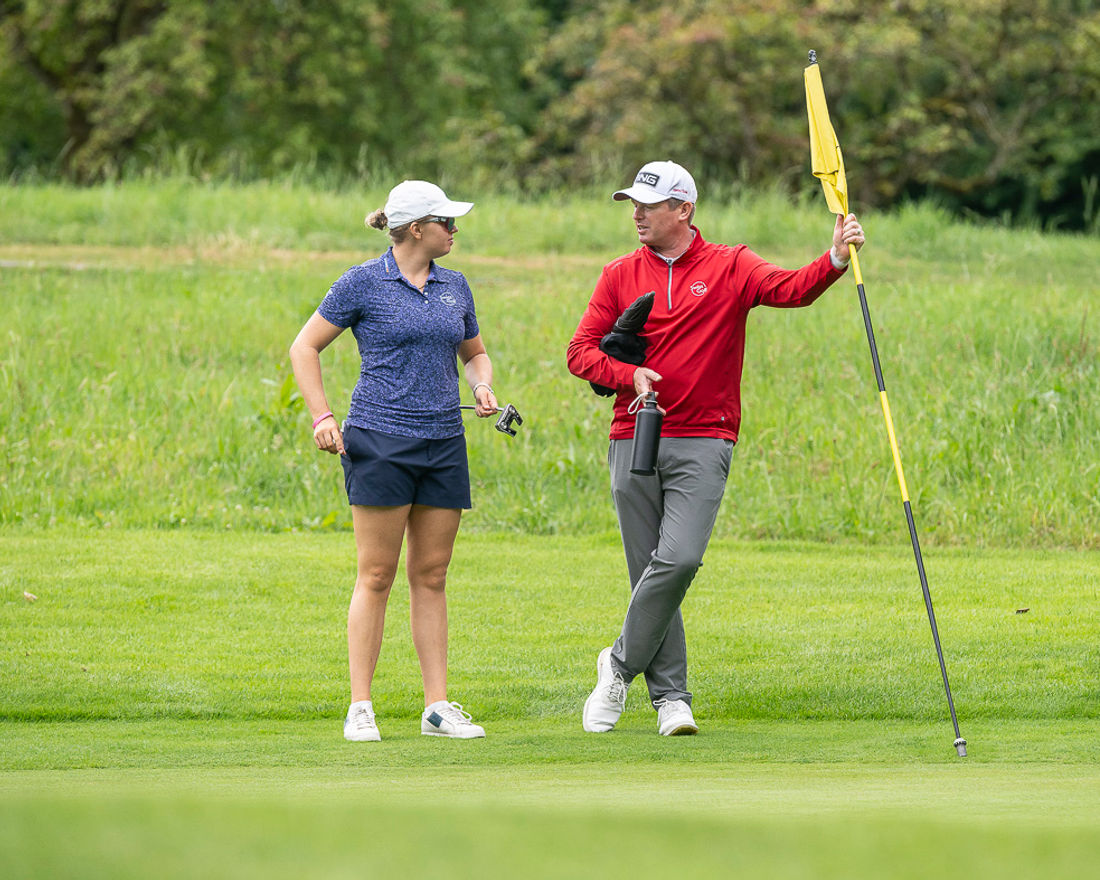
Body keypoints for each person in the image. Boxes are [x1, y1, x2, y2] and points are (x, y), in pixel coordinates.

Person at [566, 160, 865, 736]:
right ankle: (672, 700)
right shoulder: (619, 274)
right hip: (633, 433)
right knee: (649, 572)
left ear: (684, 209)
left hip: (704, 436)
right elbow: (580, 353)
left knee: (678, 560)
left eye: (649, 205)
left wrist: (833, 258)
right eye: (633, 204)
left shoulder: (731, 265)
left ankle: (618, 666)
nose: (637, 214)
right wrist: (629, 374)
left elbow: (791, 290)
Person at [289, 180, 498, 742]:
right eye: (446, 222)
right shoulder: (362, 281)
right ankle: (361, 706)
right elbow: (304, 347)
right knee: (377, 574)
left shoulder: (455, 286)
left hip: (443, 443)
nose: (454, 230)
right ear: (416, 229)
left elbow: (475, 353)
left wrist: (481, 385)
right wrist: (322, 415)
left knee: (432, 575)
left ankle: (437, 708)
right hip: (379, 440)